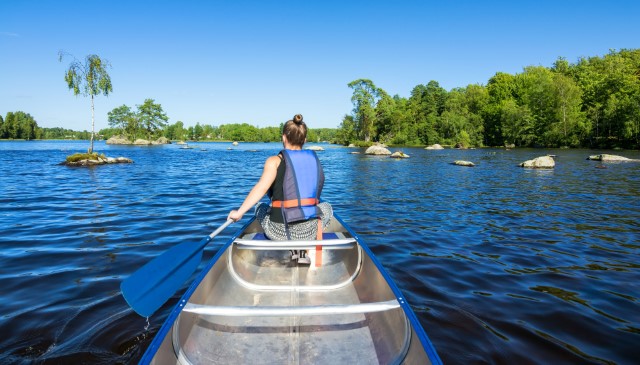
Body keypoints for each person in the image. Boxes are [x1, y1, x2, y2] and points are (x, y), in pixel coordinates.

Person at [227, 114, 333, 264]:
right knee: (326, 206)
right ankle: (302, 253)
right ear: (305, 140)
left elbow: (261, 188)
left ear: (284, 137)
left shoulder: (274, 161)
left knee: (261, 207)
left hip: (281, 232)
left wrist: (239, 212)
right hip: (310, 231)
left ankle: (295, 252)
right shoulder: (314, 160)